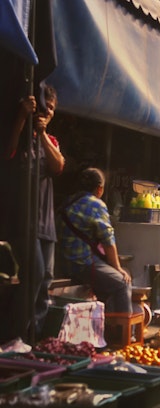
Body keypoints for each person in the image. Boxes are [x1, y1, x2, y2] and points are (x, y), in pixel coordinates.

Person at [5, 86, 65, 337]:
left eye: (51, 108)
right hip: (24, 221)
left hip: (46, 225)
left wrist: (42, 134)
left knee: (45, 281)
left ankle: (36, 338)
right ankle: (14, 335)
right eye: (43, 107)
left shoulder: (50, 141)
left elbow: (58, 165)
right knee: (35, 275)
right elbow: (7, 152)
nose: (47, 111)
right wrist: (21, 117)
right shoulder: (20, 134)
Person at [60, 168, 132, 314]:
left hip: (65, 263)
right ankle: (123, 334)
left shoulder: (68, 202)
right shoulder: (96, 204)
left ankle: (107, 326)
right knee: (123, 282)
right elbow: (108, 241)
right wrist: (117, 268)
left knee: (114, 279)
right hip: (83, 265)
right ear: (99, 189)